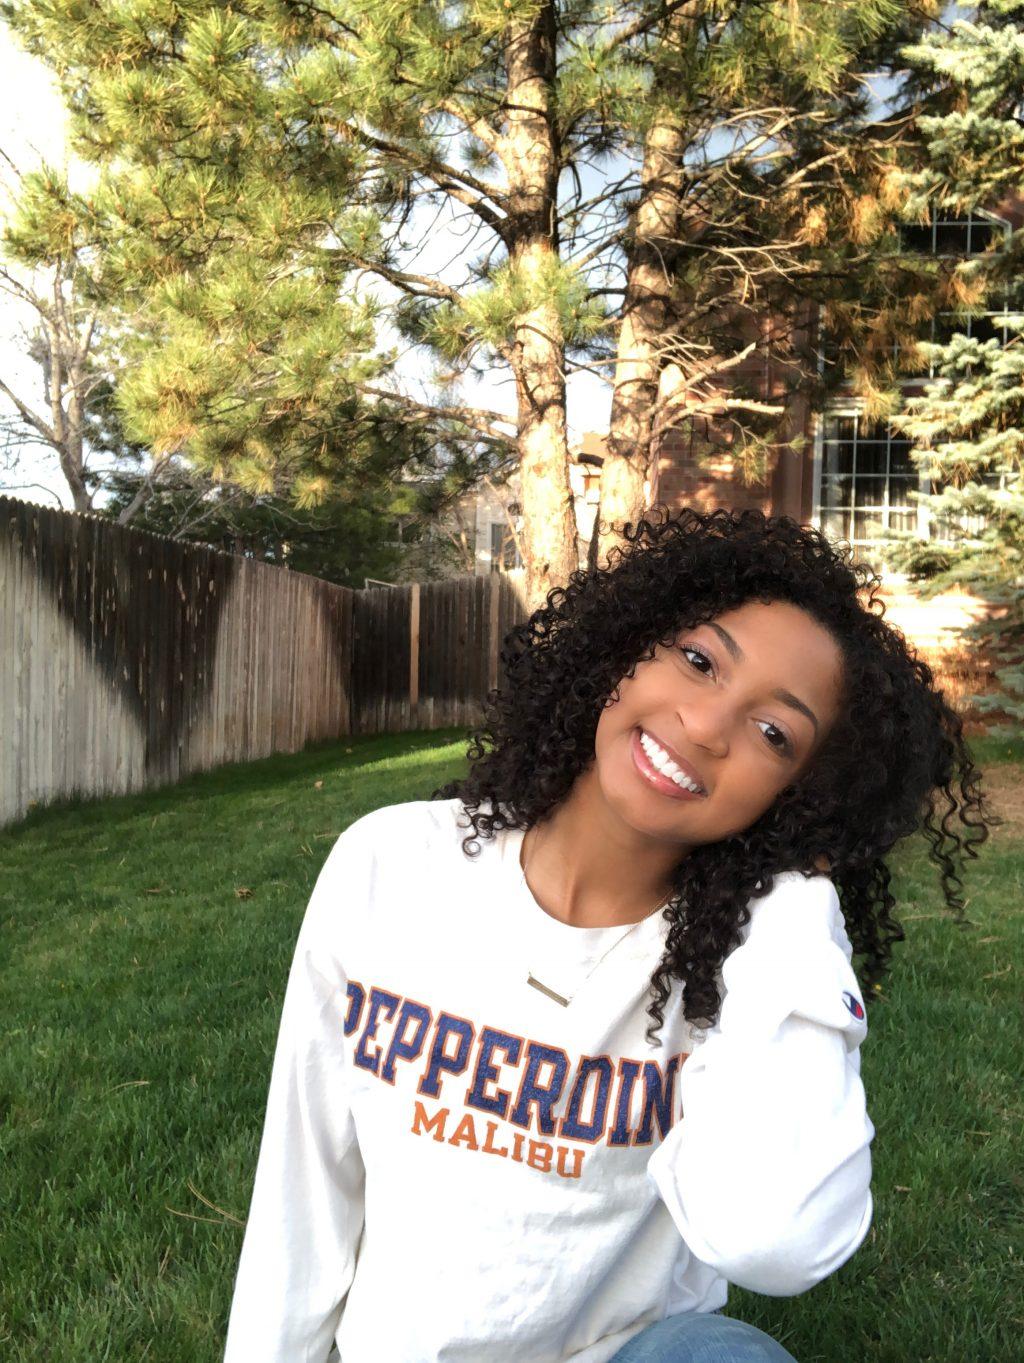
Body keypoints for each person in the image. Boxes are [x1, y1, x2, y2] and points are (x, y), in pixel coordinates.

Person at [223, 507, 995, 1363]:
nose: (706, 727)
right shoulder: (391, 865)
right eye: (698, 660)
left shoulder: (748, 965)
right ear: (626, 645)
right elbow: (305, 1183)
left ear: (802, 796)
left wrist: (797, 895)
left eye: (774, 735)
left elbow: (772, 1239)